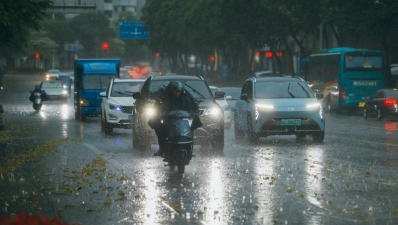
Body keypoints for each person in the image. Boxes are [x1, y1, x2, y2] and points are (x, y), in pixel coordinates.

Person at [149, 81, 202, 157]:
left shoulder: (187, 97)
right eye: (175, 92)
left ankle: (189, 150)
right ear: (172, 91)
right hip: (169, 120)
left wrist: (193, 114)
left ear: (181, 91)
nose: (177, 93)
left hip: (183, 120)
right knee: (160, 130)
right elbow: (158, 107)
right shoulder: (165, 97)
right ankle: (162, 148)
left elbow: (193, 106)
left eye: (179, 92)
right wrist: (159, 113)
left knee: (190, 129)